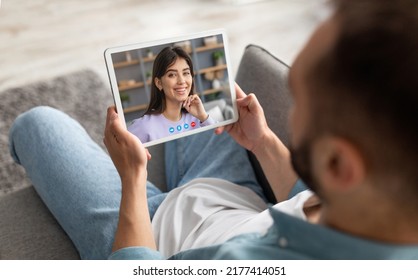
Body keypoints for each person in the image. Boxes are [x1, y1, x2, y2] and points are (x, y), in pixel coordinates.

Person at [8, 0, 418, 260]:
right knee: (214, 109)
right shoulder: (382, 209)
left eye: (299, 101)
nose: (290, 116)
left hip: (148, 241)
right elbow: (310, 198)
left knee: (38, 123)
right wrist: (262, 142)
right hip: (236, 197)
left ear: (337, 163)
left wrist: (133, 180)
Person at [127, 46, 215, 143]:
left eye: (186, 73)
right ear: (159, 83)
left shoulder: (199, 118)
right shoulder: (145, 127)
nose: (181, 81)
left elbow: (222, 143)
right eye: (172, 75)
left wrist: (203, 116)